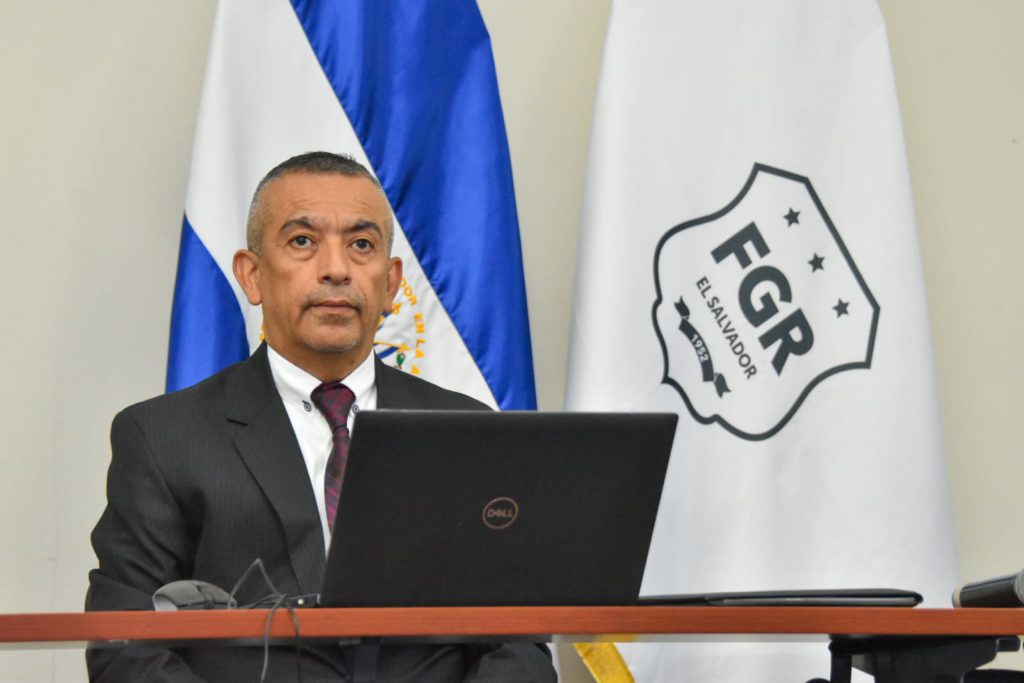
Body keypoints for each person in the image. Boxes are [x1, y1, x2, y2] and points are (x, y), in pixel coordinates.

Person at [86, 152, 556, 682]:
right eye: (303, 241)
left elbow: (518, 647)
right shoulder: (164, 438)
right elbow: (125, 648)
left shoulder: (466, 430)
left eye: (362, 245)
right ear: (252, 275)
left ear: (391, 284)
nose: (336, 269)